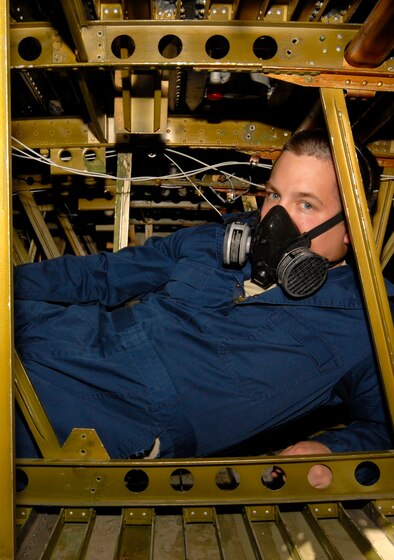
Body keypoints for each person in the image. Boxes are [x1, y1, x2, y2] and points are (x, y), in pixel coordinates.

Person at [14, 129, 393, 488]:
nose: (274, 218)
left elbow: (384, 427)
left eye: (306, 204)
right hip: (68, 334)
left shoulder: (366, 320)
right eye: (273, 195)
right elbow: (102, 275)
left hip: (116, 410)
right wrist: (6, 286)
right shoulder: (214, 239)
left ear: (351, 228)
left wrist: (330, 452)